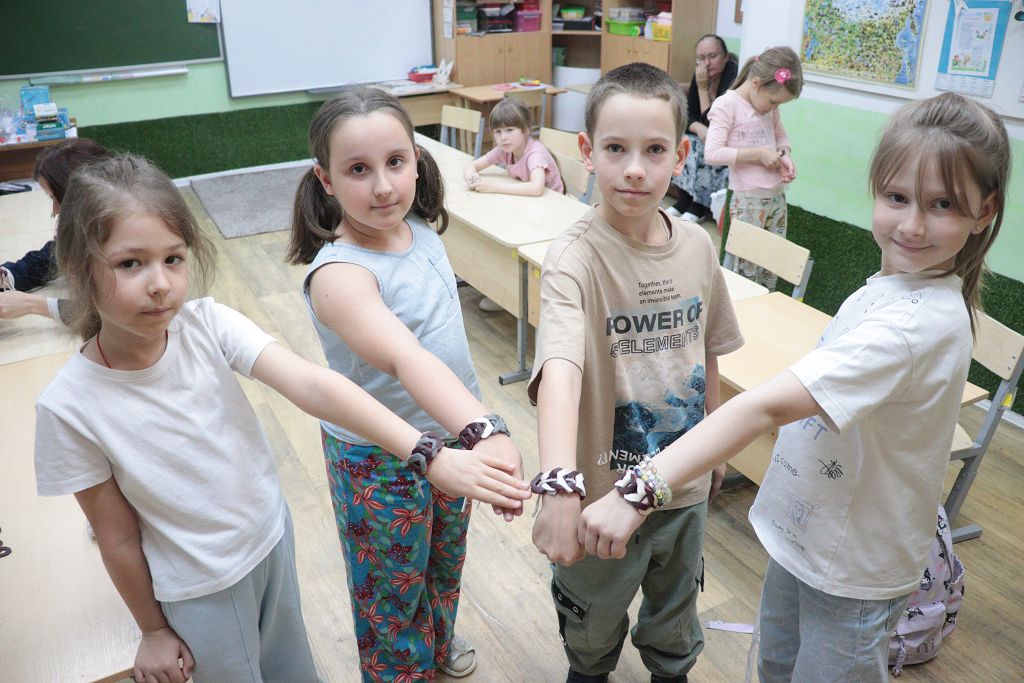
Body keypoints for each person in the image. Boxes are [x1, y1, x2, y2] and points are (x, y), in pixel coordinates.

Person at [34, 154, 529, 683]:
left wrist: (428, 453)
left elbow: (315, 385)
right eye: (130, 264)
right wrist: (153, 629)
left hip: (271, 538)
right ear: (79, 268)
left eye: (173, 258)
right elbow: (115, 537)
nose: (160, 283)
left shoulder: (206, 323)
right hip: (198, 587)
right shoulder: (69, 408)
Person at [578, 92, 1010, 683]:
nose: (911, 224)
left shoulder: (916, 324)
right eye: (897, 198)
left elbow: (762, 407)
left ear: (984, 212)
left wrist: (636, 492)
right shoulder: (894, 287)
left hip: (852, 569)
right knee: (777, 665)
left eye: (942, 205)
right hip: (810, 539)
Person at [288, 86, 528, 681]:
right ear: (325, 179)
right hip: (379, 459)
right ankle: (402, 668)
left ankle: (437, 640)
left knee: (443, 564)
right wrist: (486, 427)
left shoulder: (420, 228)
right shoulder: (339, 275)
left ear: (417, 162)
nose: (383, 187)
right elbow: (406, 357)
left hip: (450, 436)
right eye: (358, 170)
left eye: (395, 162)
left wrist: (468, 432)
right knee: (390, 590)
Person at [527, 63, 744, 683]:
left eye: (654, 150)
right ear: (586, 150)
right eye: (616, 149)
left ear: (681, 156)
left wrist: (713, 443)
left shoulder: (698, 246)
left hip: (682, 486)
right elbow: (561, 368)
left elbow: (708, 349)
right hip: (599, 496)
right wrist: (559, 485)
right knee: (591, 624)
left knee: (675, 616)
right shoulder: (574, 258)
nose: (634, 170)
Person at [704, 46, 803, 290]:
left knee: (772, 266)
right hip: (748, 201)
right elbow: (712, 154)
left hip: (776, 199)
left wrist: (784, 154)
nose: (774, 108)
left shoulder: (769, 108)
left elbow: (780, 136)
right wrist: (758, 154)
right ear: (756, 83)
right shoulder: (727, 105)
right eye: (773, 102)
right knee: (745, 271)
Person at [0, 138, 110, 322]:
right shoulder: (83, 228)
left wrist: (32, 305)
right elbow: (44, 260)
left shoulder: (117, 239)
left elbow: (104, 315)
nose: (55, 210)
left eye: (55, 197)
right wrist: (5, 275)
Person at [667, 34, 738, 222]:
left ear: (726, 57)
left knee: (704, 145)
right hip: (706, 133)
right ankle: (684, 201)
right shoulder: (700, 73)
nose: (706, 63)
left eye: (712, 56)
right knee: (685, 140)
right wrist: (698, 128)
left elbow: (715, 123)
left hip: (728, 138)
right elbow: (687, 113)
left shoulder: (734, 78)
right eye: (701, 58)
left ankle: (699, 206)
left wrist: (702, 89)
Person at [463, 97, 565, 196]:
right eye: (498, 131)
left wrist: (494, 187)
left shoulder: (535, 154)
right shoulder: (504, 150)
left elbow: (536, 188)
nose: (503, 137)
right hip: (530, 199)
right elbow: (471, 165)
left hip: (554, 202)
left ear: (526, 130)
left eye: (509, 130)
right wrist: (472, 178)